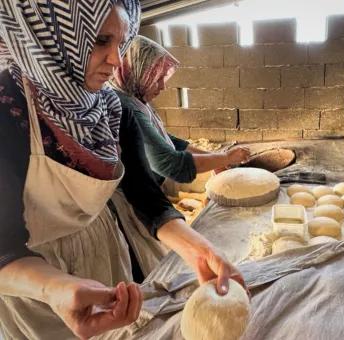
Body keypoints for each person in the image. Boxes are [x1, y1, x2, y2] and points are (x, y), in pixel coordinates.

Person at [0, 1, 247, 339]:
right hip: (31, 278)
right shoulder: (7, 111)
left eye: (121, 43)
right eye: (101, 40)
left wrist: (203, 251)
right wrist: (55, 288)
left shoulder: (113, 110)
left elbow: (147, 199)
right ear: (48, 34)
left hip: (104, 248)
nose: (116, 61)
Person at [109, 35, 251, 187]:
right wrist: (226, 158)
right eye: (156, 79)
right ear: (137, 73)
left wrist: (216, 159)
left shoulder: (133, 97)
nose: (163, 86)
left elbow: (164, 140)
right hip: (131, 196)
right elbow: (172, 165)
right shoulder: (125, 107)